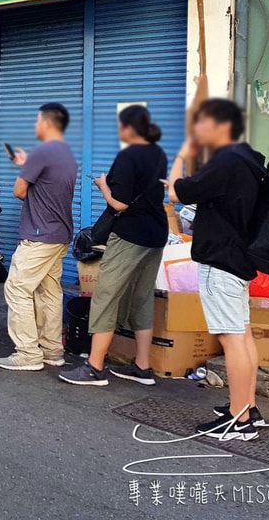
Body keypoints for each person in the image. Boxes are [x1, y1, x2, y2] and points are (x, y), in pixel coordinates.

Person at [168, 99, 266, 441]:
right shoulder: (250, 159)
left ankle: (239, 422)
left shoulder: (224, 162)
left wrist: (181, 154)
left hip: (221, 262)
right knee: (243, 334)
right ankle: (247, 407)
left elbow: (176, 190)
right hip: (239, 261)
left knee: (230, 338)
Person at [59, 105, 168, 386]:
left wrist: (102, 185)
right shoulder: (157, 153)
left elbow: (120, 203)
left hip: (130, 235)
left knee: (105, 296)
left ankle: (94, 367)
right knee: (142, 297)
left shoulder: (128, 156)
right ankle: (143, 367)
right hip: (156, 233)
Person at [0, 103, 77, 371]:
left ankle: (27, 352)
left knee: (17, 288)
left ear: (48, 123)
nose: (35, 126)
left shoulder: (43, 152)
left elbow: (19, 191)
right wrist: (25, 164)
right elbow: (48, 185)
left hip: (39, 235)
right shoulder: (65, 153)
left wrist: (26, 167)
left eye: (37, 121)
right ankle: (52, 350)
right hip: (60, 234)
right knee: (49, 291)